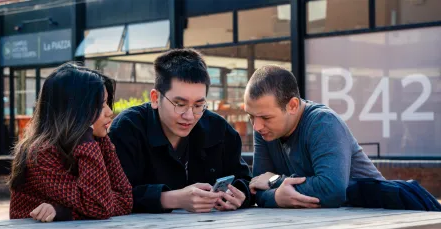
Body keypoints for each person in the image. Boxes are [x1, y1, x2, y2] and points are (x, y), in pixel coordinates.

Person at [109, 48, 253, 213]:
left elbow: (246, 181)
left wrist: (240, 194)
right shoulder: (127, 129)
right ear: (155, 98)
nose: (189, 116)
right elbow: (112, 195)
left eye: (198, 105)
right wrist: (172, 198)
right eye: (180, 104)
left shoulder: (219, 129)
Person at [246, 65, 384, 208]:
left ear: (293, 106)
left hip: (376, 216)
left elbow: (332, 191)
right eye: (251, 116)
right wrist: (276, 197)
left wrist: (275, 181)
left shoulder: (323, 123)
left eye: (266, 117)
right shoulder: (264, 130)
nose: (256, 126)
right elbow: (257, 187)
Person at [8, 63, 133, 222]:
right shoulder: (42, 153)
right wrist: (85, 137)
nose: (109, 112)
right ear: (75, 110)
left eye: (107, 103)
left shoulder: (99, 141)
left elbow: (125, 200)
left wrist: (64, 213)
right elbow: (100, 206)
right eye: (100, 105)